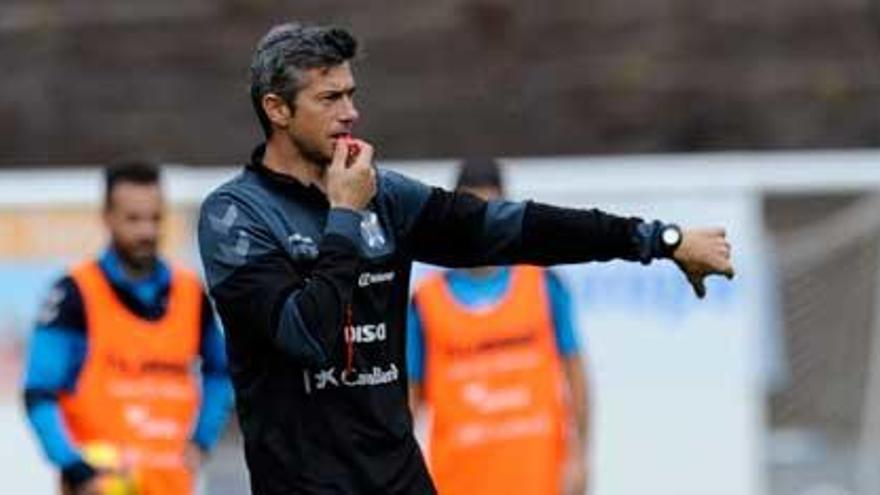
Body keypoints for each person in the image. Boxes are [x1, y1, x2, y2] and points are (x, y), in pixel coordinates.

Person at [197, 22, 733, 495]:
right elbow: (307, 338)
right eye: (329, 98)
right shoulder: (236, 218)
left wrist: (657, 240)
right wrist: (345, 217)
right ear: (277, 109)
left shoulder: (386, 197)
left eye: (351, 95)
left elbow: (515, 228)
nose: (351, 113)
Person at [22, 162, 234, 495]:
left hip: (172, 487)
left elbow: (223, 371)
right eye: (133, 219)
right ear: (107, 218)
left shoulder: (190, 293)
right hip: (100, 487)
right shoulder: (75, 293)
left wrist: (202, 439)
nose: (147, 232)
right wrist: (73, 467)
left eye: (155, 219)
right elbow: (39, 391)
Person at [407, 157, 590, 495]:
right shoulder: (425, 302)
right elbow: (407, 406)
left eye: (491, 210)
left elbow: (576, 377)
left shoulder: (544, 284)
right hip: (457, 484)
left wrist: (581, 460)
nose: (480, 223)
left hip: (541, 481)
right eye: (470, 210)